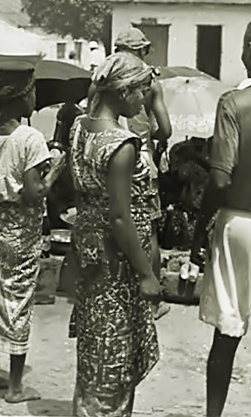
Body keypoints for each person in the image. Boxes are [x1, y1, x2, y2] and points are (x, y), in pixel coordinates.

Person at [69, 51, 161, 416]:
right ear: (123, 92)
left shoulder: (80, 128)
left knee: (96, 347)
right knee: (116, 354)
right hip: (118, 261)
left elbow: (84, 196)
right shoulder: (121, 145)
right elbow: (120, 217)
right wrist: (146, 275)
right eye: (141, 92)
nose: (143, 101)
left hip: (91, 253)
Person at [0, 68, 61, 403]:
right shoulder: (29, 139)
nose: (36, 99)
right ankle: (15, 385)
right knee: (17, 297)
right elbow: (35, 193)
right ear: (19, 97)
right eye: (33, 92)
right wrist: (56, 172)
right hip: (21, 228)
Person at [187, 12, 251, 417]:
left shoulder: (234, 103)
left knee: (229, 329)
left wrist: (200, 233)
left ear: (250, 50)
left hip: (241, 222)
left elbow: (219, 180)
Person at [114, 26, 173, 320]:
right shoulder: (150, 83)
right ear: (141, 52)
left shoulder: (106, 81)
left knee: (117, 223)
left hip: (110, 154)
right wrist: (152, 135)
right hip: (141, 159)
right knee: (148, 230)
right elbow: (167, 129)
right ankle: (152, 302)